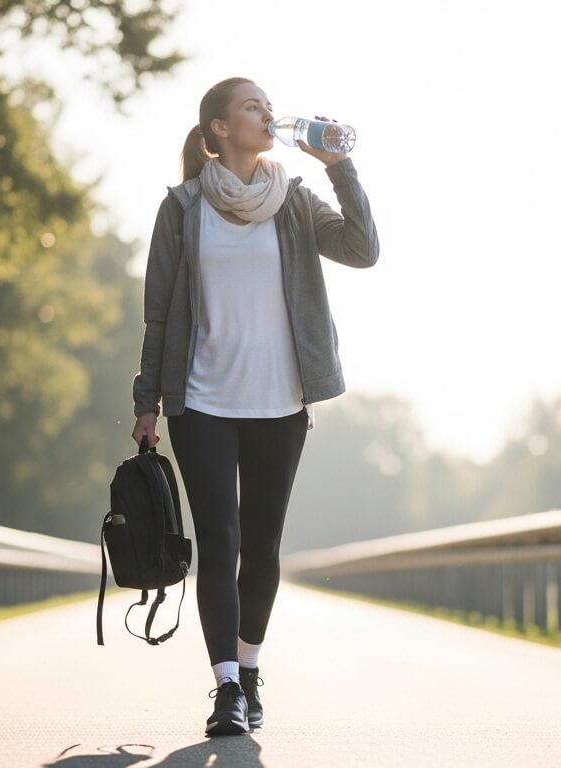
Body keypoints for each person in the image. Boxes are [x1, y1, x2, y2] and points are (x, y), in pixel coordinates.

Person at [130, 77, 379, 737]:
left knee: (262, 547)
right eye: (252, 106)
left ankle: (249, 671)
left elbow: (363, 251)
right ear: (219, 128)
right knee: (221, 542)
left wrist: (339, 167)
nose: (268, 114)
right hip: (201, 402)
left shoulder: (293, 201)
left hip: (281, 402)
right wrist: (147, 401)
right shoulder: (183, 207)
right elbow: (158, 315)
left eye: (269, 105)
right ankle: (225, 690)